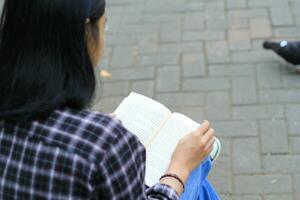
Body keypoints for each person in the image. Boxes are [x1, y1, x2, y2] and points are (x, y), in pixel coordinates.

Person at [0, 0, 216, 199]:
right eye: (105, 26)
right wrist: (178, 169)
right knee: (197, 166)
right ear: (85, 33)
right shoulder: (106, 144)